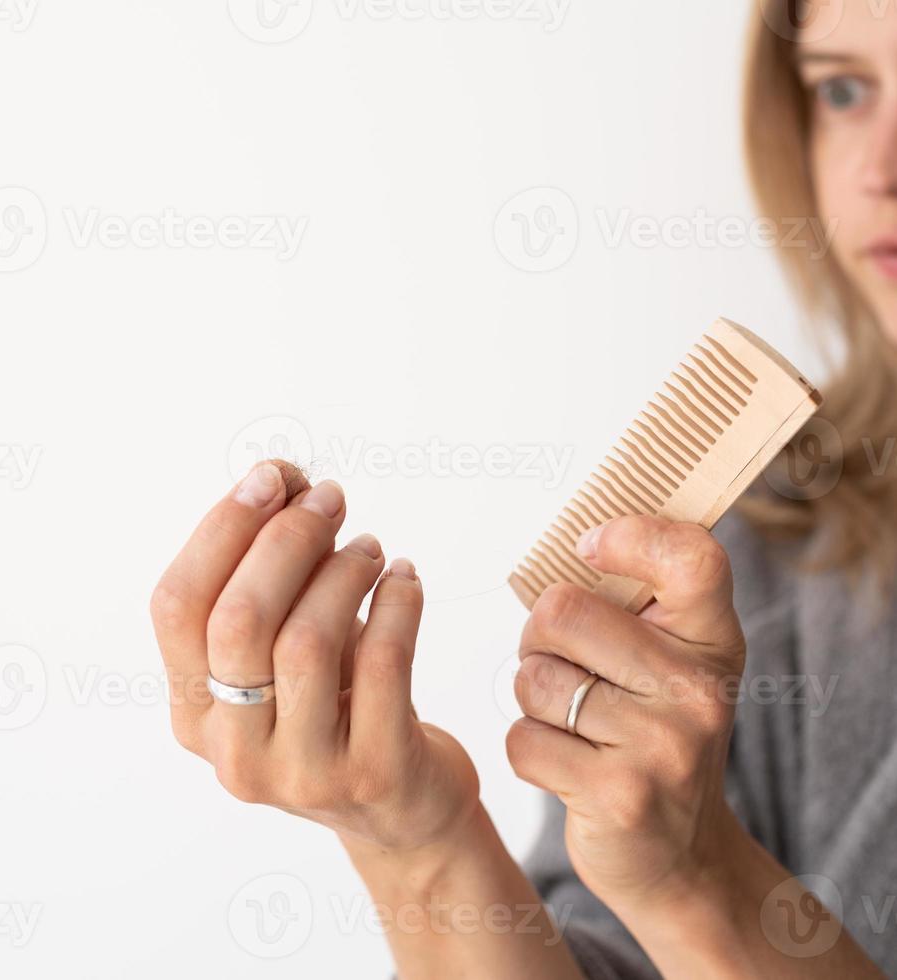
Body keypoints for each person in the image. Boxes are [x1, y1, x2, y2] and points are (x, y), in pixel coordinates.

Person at [149, 2, 896, 975]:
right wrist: (416, 843)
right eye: (842, 90)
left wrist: (699, 879)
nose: (877, 171)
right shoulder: (770, 542)